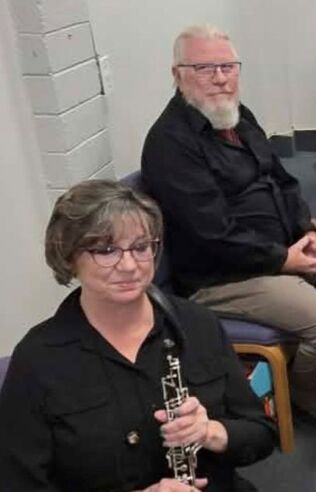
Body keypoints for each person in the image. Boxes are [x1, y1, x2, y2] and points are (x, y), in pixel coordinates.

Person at [141, 24, 316, 428]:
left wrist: (305, 231)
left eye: (228, 66)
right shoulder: (170, 144)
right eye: (204, 68)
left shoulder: (238, 116)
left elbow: (282, 180)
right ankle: (309, 397)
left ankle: (313, 371)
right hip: (224, 276)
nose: (220, 78)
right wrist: (284, 260)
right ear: (177, 74)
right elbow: (213, 234)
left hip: (282, 246)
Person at [0, 180, 276, 491]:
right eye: (106, 251)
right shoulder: (39, 360)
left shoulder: (198, 324)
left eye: (141, 247)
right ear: (69, 257)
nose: (130, 265)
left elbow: (261, 434)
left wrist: (210, 432)